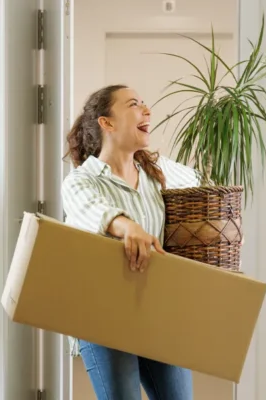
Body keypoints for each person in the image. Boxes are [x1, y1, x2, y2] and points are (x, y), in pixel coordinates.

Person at [61, 84, 200, 400]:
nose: (147, 110)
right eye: (134, 104)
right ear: (106, 123)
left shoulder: (157, 172)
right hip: (102, 319)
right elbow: (90, 210)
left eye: (145, 104)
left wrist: (226, 224)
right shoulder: (80, 180)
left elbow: (204, 188)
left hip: (154, 312)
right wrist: (126, 227)